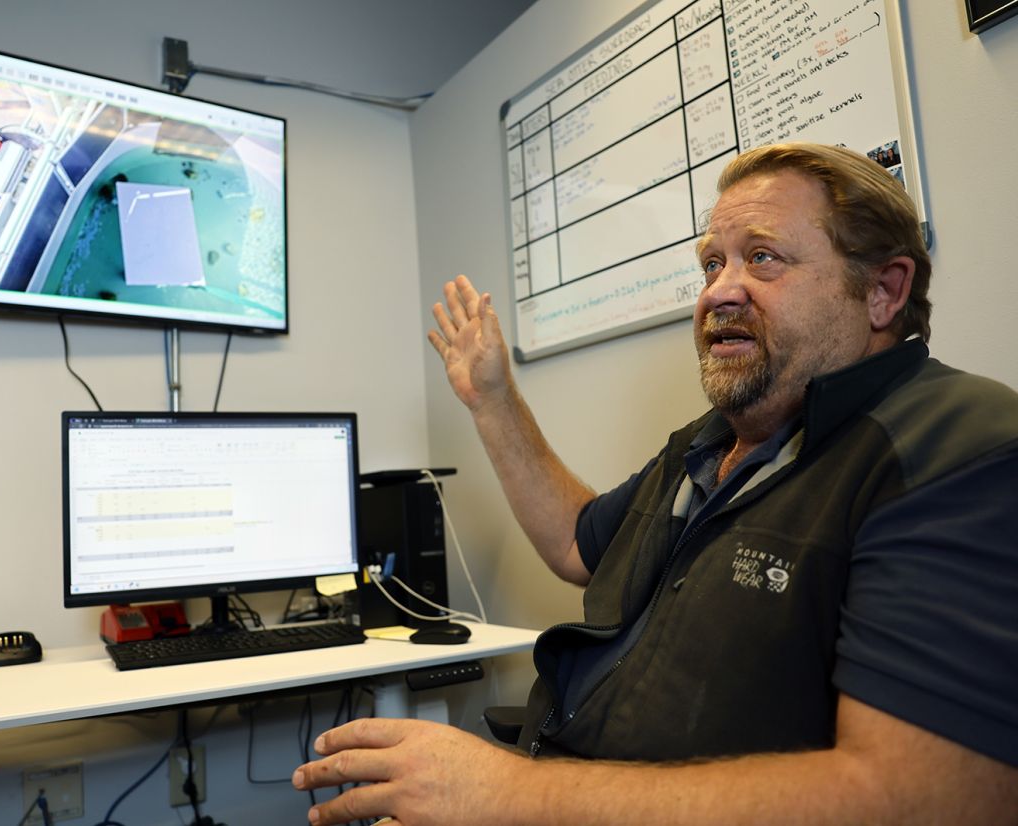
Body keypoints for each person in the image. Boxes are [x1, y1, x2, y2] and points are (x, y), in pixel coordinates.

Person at [292, 143, 1018, 824]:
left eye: (762, 258)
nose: (718, 292)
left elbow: (925, 800)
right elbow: (580, 547)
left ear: (885, 292)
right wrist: (492, 399)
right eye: (712, 264)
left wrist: (511, 793)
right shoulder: (707, 446)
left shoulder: (956, 449)